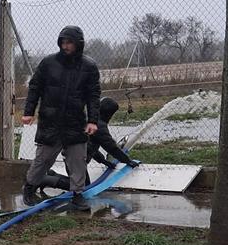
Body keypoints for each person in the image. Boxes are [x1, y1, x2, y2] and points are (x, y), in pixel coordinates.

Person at [21, 25, 101, 210]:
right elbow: (35, 88)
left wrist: (92, 120)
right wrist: (28, 112)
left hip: (75, 122)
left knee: (77, 159)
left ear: (78, 44)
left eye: (69, 42)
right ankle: (29, 188)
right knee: (43, 159)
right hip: (51, 121)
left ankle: (78, 194)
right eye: (63, 42)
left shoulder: (89, 66)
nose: (66, 46)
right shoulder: (48, 63)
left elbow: (93, 95)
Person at [44, 97, 141, 190]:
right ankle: (45, 180)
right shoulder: (99, 126)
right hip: (76, 159)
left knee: (81, 184)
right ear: (109, 114)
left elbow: (89, 147)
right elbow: (111, 148)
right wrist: (127, 160)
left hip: (72, 156)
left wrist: (103, 161)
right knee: (83, 187)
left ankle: (52, 175)